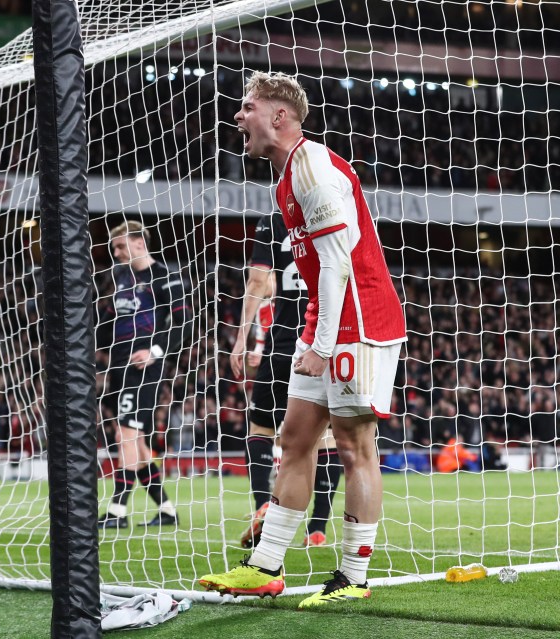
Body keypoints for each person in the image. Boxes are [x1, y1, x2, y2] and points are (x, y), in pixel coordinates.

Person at [199, 71, 406, 608]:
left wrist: (321, 344)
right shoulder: (285, 176)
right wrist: (314, 335)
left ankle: (353, 577)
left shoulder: (312, 167)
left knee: (355, 448)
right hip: (324, 319)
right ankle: (265, 566)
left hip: (359, 319)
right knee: (293, 441)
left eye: (247, 108)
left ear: (279, 116)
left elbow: (338, 264)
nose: (238, 117)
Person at [231, 208, 343, 549]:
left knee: (262, 430)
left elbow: (258, 280)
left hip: (282, 345)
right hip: (326, 342)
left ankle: (263, 504)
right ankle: (318, 527)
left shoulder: (275, 220)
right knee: (325, 438)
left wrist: (241, 337)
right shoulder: (334, 215)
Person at [97, 220, 192, 528]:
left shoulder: (165, 277)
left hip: (145, 368)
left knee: (126, 433)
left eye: (121, 245)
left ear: (139, 242)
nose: (116, 252)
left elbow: (183, 322)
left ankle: (116, 512)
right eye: (114, 247)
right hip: (120, 367)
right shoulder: (122, 278)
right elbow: (107, 323)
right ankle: (166, 510)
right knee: (132, 440)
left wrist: (155, 352)